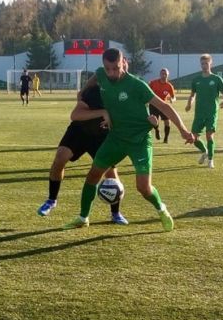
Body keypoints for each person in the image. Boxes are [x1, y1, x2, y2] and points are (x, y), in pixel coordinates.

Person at [63, 48, 195, 231]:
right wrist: (82, 91)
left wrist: (183, 130)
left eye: (116, 68)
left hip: (139, 141)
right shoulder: (101, 74)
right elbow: (95, 78)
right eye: (108, 69)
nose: (111, 73)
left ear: (122, 63)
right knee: (93, 175)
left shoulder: (136, 85)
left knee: (143, 188)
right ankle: (83, 217)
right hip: (116, 138)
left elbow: (164, 106)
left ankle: (161, 209)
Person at [37, 81, 151, 225]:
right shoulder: (93, 92)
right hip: (79, 132)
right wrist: (102, 112)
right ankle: (51, 200)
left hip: (102, 136)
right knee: (60, 157)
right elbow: (75, 114)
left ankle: (115, 213)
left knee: (111, 173)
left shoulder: (122, 96)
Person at [185, 54, 223, 169]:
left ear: (211, 64)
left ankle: (210, 160)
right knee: (193, 138)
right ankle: (205, 151)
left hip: (211, 113)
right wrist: (189, 104)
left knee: (209, 136)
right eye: (202, 64)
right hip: (199, 113)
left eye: (206, 63)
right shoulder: (196, 80)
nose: (204, 66)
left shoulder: (216, 79)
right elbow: (192, 95)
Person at [149, 68, 176, 143]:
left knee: (167, 121)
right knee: (154, 121)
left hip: (163, 105)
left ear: (168, 75)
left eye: (165, 74)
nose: (164, 75)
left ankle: (166, 138)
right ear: (160, 74)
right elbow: (147, 92)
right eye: (162, 74)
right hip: (153, 105)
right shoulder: (153, 83)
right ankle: (157, 130)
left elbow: (174, 97)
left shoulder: (169, 86)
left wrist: (172, 100)